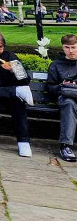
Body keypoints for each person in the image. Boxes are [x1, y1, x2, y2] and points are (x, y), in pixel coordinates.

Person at [46, 33, 77, 162]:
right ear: (63, 48)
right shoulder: (56, 65)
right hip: (65, 98)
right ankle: (66, 146)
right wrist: (61, 86)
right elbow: (49, 87)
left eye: (74, 47)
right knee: (69, 104)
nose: (71, 51)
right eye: (67, 47)